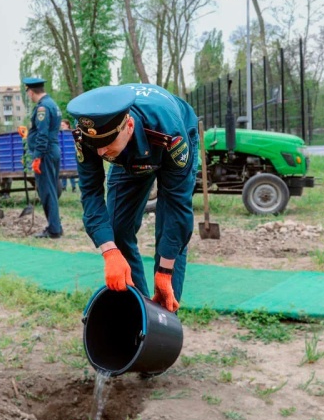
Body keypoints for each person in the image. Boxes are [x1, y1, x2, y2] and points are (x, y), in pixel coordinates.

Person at [66, 84, 198, 313]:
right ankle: (139, 310)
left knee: (170, 231)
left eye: (106, 144)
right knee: (117, 229)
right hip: (127, 157)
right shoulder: (87, 134)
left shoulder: (170, 133)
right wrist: (109, 252)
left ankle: (166, 317)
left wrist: (165, 272)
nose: (100, 153)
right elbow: (91, 194)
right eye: (95, 146)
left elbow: (177, 209)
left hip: (165, 140)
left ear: (129, 126)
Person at [24, 77, 63, 239]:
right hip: (52, 151)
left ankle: (54, 230)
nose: (28, 96)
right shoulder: (52, 104)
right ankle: (55, 227)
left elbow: (42, 134)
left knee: (46, 192)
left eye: (28, 92)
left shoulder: (43, 108)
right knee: (51, 190)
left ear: (31, 92)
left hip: (45, 153)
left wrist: (37, 157)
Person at [60, 119, 78, 193]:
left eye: (63, 125)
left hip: (70, 154)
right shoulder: (60, 133)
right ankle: (64, 187)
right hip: (63, 154)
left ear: (67, 125)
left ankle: (73, 187)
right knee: (64, 171)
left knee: (71, 171)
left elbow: (77, 141)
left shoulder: (72, 132)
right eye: (61, 125)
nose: (62, 127)